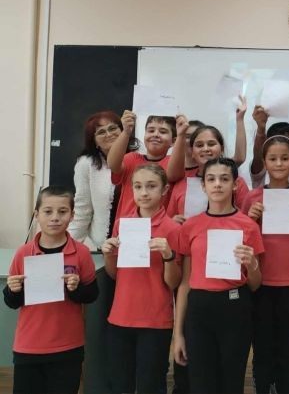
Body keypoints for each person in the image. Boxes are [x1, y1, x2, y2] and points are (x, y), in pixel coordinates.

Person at [172, 157, 264, 394]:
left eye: (224, 179)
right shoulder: (190, 226)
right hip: (199, 309)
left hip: (235, 306)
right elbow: (185, 283)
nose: (217, 184)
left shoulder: (248, 225)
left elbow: (255, 284)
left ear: (235, 185)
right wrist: (178, 334)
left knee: (231, 381)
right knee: (201, 382)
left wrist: (252, 264)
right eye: (211, 179)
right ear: (203, 185)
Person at [4, 187, 98, 394]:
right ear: (37, 215)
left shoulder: (81, 253)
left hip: (68, 347)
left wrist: (76, 289)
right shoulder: (23, 253)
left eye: (62, 211)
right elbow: (11, 302)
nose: (55, 217)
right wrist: (13, 290)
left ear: (72, 215)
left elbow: (92, 295)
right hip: (28, 346)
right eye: (48, 211)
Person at [101, 164, 182, 394]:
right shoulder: (122, 225)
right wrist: (109, 254)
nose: (144, 192)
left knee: (151, 385)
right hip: (120, 317)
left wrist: (168, 255)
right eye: (138, 186)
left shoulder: (172, 229)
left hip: (155, 320)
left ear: (164, 190)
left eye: (151, 186)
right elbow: (115, 274)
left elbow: (173, 283)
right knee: (120, 384)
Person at [244, 135, 289, 394]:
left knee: (286, 344)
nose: (279, 164)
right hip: (260, 280)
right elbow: (243, 241)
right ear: (264, 162)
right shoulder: (253, 197)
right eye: (273, 159)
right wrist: (251, 219)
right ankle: (263, 387)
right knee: (262, 343)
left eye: (285, 158)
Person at [69, 111, 135, 250]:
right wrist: (67, 247)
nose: (109, 134)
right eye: (101, 132)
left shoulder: (139, 157)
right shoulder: (86, 164)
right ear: (94, 141)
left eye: (113, 128)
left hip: (138, 240)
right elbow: (83, 209)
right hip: (106, 244)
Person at [107, 111, 186, 222]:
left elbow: (173, 175)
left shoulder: (172, 163)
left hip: (157, 227)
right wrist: (126, 132)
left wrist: (181, 135)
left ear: (173, 141)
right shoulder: (131, 158)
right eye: (151, 130)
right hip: (127, 227)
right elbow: (112, 164)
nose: (155, 134)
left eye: (163, 132)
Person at [167, 125, 250, 223]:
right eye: (199, 145)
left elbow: (247, 219)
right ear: (192, 152)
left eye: (211, 144)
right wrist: (172, 222)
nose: (205, 149)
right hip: (187, 232)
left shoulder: (237, 181)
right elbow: (168, 219)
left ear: (222, 149)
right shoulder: (181, 183)